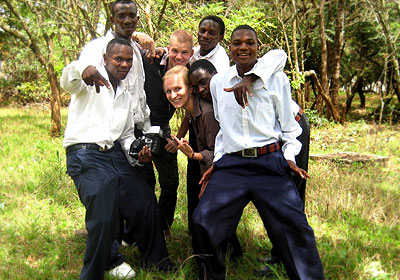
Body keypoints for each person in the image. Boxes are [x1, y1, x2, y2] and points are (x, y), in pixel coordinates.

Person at [191, 25, 325, 280]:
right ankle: (212, 275)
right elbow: (223, 128)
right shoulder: (219, 82)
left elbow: (289, 126)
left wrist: (288, 156)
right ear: (229, 48)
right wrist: (217, 163)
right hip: (232, 166)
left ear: (258, 47)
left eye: (249, 42)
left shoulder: (276, 79)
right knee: (202, 221)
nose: (243, 47)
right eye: (237, 43)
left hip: (269, 162)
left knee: (295, 227)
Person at [61, 38, 171, 280]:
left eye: (128, 60)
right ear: (105, 59)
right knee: (104, 210)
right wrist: (82, 69)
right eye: (118, 59)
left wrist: (138, 152)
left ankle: (158, 263)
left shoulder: (125, 96)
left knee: (144, 200)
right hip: (85, 153)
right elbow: (66, 79)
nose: (123, 64)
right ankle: (93, 273)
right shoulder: (88, 81)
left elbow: (127, 137)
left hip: (114, 155)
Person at [137, 29, 194, 235]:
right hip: (138, 127)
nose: (179, 57)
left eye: (184, 53)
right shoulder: (151, 59)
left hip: (163, 131)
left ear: (191, 53)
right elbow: (122, 45)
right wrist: (139, 35)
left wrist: (177, 138)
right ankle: (134, 228)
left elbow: (192, 109)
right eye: (175, 51)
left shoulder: (191, 75)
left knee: (170, 184)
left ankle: (163, 227)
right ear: (168, 49)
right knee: (141, 182)